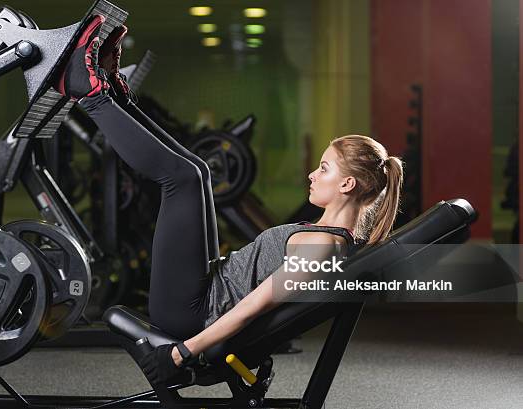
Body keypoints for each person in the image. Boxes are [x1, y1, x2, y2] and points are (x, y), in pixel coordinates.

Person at [55, 16, 404, 385]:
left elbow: (254, 308)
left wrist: (182, 352)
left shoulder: (321, 247)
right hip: (203, 289)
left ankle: (89, 93)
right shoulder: (326, 237)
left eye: (324, 168)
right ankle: (112, 93)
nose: (312, 175)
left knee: (182, 180)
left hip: (193, 310)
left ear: (348, 184)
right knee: (198, 173)